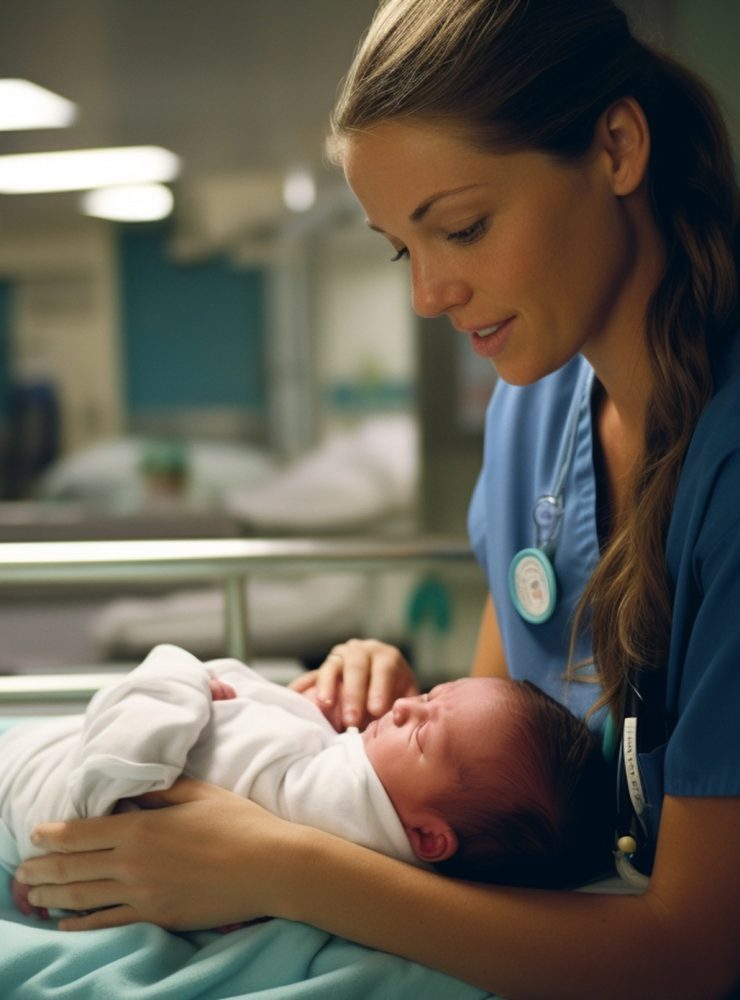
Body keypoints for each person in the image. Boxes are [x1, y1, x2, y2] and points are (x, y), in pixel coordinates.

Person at [14, 1, 740, 996]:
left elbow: (697, 952)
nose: (426, 295)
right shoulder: (531, 418)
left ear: (613, 147)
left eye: (462, 227)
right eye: (404, 247)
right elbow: (502, 744)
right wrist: (395, 707)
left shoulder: (724, 478)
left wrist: (277, 861)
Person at [1, 644, 612, 918]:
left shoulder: (333, 802)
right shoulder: (387, 837)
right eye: (429, 695)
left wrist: (182, 676)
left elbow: (149, 760)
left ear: (428, 838)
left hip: (63, 796)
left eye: (423, 735)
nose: (401, 709)